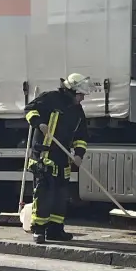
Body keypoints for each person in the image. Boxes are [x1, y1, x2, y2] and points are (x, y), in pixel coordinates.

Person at [23, 72, 90, 244]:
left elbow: (81, 136)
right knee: (44, 195)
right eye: (81, 94)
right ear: (72, 91)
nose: (82, 98)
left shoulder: (77, 111)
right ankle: (39, 230)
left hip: (62, 158)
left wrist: (79, 155)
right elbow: (29, 110)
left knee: (61, 196)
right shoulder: (50, 98)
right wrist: (39, 123)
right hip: (43, 156)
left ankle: (55, 230)